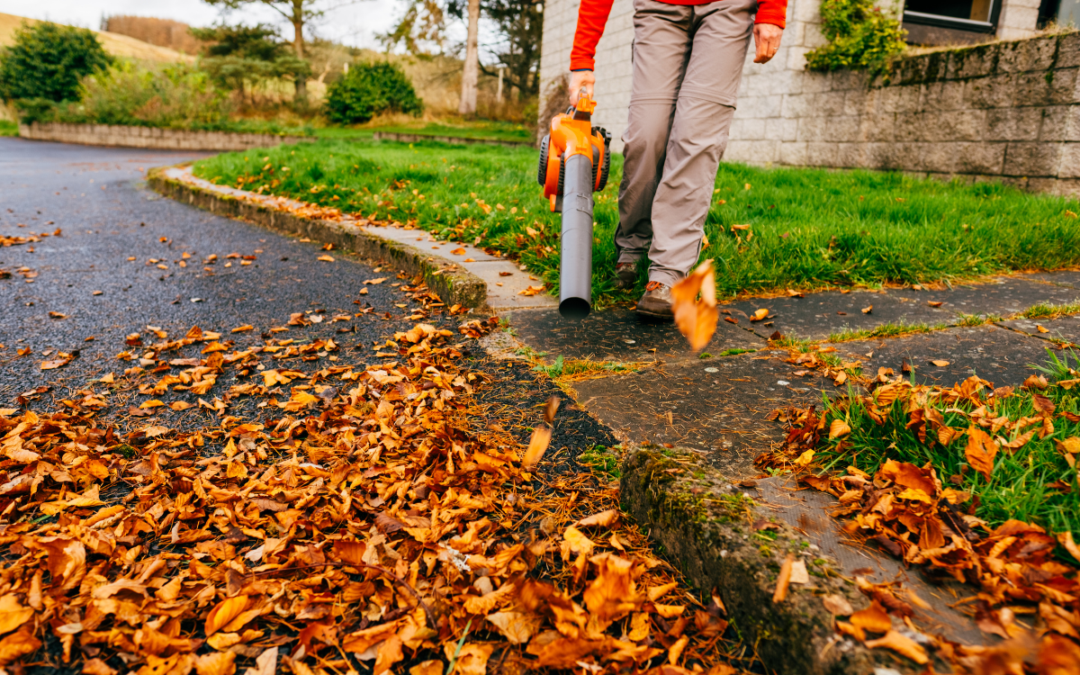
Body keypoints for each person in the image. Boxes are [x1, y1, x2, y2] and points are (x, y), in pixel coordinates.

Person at [568, 0, 786, 320]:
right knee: (646, 134)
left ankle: (668, 271)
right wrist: (581, 58)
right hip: (658, 9)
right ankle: (631, 243)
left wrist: (772, 9)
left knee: (695, 138)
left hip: (729, 9)